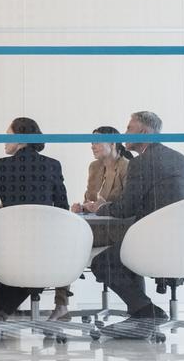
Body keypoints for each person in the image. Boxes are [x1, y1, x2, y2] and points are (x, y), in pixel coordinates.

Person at [90, 111, 184, 324]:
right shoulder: (179, 157)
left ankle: (146, 312)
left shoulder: (142, 162)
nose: (125, 133)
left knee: (103, 262)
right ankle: (140, 312)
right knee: (124, 251)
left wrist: (99, 208)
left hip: (159, 241)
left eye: (129, 128)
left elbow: (124, 209)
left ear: (144, 131)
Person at [0, 117, 68, 322]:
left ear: (20, 139)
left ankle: (1, 313)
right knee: (41, 259)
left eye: (7, 136)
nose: (4, 140)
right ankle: (3, 313)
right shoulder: (52, 165)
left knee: (6, 256)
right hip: (44, 243)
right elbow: (62, 207)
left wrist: (4, 210)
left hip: (9, 244)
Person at [47, 126, 133, 321]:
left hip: (118, 226)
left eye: (96, 141)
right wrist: (83, 207)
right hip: (94, 224)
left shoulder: (127, 166)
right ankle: (61, 305)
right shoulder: (94, 167)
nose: (91, 145)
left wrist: (102, 206)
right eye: (91, 141)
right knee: (65, 239)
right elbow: (91, 199)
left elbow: (128, 204)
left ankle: (61, 305)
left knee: (69, 240)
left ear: (112, 143)